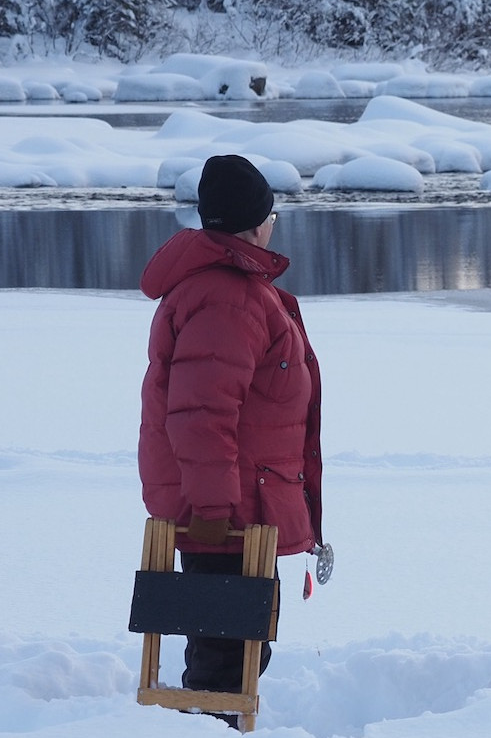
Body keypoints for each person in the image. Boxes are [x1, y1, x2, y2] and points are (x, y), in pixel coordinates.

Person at [138, 154, 323, 703]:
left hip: (244, 502)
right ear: (255, 222)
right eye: (271, 213)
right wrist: (215, 512)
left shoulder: (236, 288)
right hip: (228, 509)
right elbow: (201, 415)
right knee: (227, 661)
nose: (274, 223)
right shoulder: (228, 297)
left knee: (241, 649)